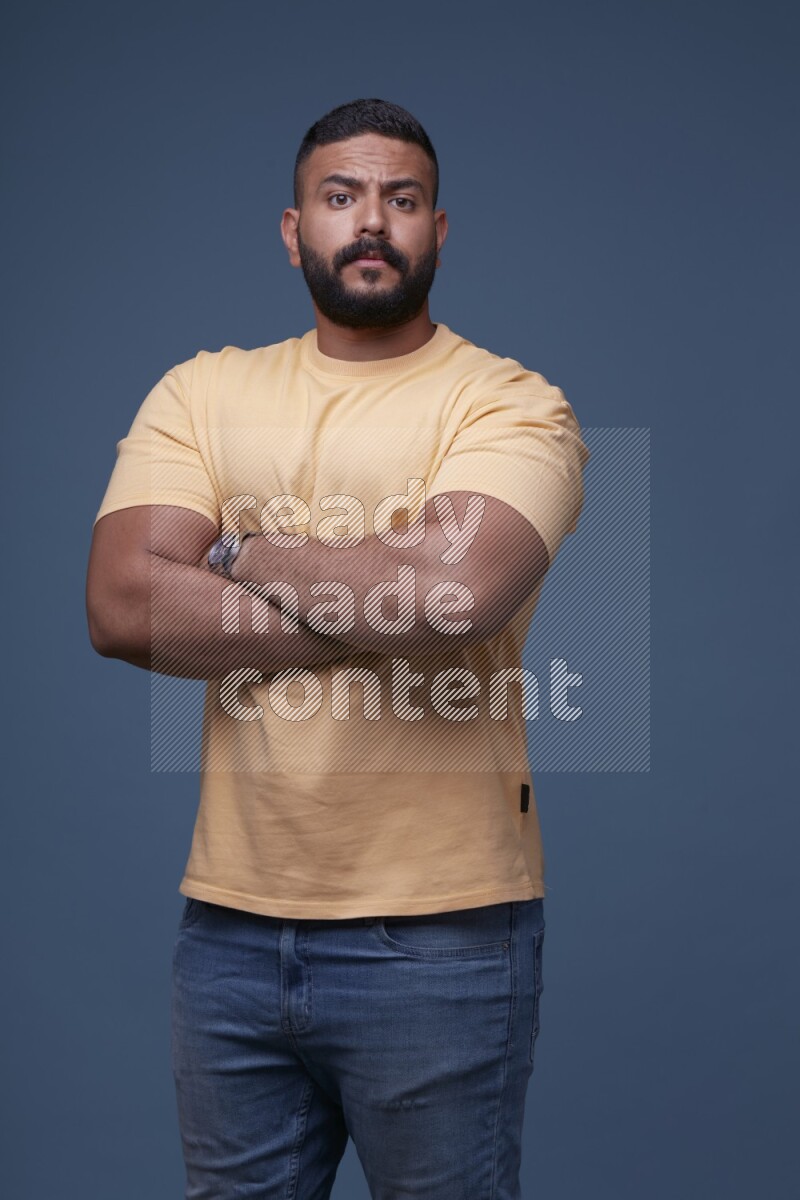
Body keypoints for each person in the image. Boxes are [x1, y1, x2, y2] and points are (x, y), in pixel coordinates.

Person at [86, 97, 589, 1200]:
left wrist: (233, 551)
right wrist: (374, 594)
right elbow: (123, 606)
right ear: (292, 226)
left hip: (443, 936)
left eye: (400, 200)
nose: (371, 222)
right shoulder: (202, 392)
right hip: (226, 927)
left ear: (437, 229)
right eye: (341, 197)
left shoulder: (507, 404)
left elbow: (451, 597)